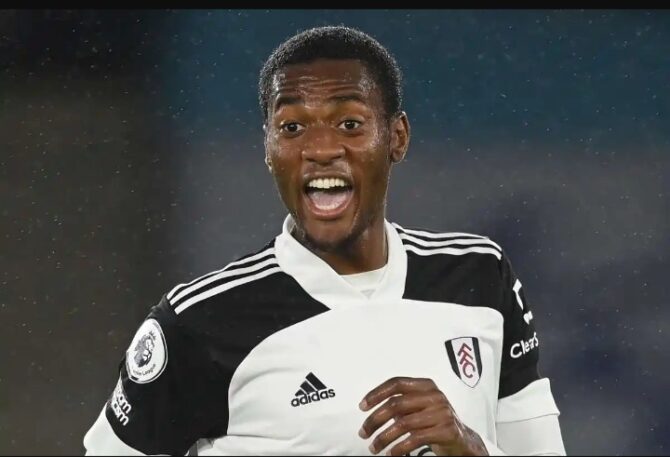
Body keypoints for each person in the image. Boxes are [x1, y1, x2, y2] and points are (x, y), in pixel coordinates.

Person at [83, 25, 566, 456]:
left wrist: (471, 451)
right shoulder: (199, 320)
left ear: (397, 137)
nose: (319, 149)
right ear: (268, 148)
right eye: (292, 127)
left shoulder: (479, 275)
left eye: (349, 124)